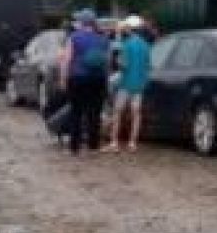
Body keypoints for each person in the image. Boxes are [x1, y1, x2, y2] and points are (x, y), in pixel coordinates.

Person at [58, 8, 110, 156]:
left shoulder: (74, 37)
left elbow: (67, 60)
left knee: (76, 113)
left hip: (78, 78)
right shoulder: (103, 38)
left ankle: (74, 148)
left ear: (82, 22)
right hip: (98, 79)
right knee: (94, 114)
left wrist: (63, 78)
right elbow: (107, 62)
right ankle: (93, 147)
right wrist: (106, 80)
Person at [104, 15, 152, 153]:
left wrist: (117, 61)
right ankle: (132, 143)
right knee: (136, 114)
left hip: (125, 84)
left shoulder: (127, 44)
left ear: (130, 29)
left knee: (117, 112)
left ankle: (114, 142)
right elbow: (148, 65)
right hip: (139, 84)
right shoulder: (146, 45)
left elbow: (123, 65)